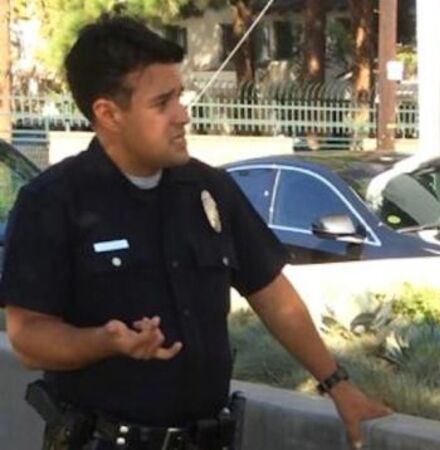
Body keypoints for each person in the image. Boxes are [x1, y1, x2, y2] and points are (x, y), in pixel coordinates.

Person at [0, 15, 389, 450]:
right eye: (162, 103)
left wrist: (338, 386)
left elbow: (272, 293)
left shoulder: (209, 189)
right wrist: (104, 341)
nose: (183, 115)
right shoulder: (54, 202)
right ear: (108, 114)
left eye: (180, 97)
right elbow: (29, 338)